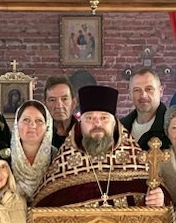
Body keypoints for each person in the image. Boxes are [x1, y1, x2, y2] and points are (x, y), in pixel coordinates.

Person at [35, 85, 166, 210]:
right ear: (80, 124)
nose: (97, 123)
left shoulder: (136, 161)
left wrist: (158, 200)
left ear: (114, 123)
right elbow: (41, 213)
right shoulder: (64, 165)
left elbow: (160, 208)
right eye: (90, 118)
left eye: (104, 118)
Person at [9, 99, 53, 200]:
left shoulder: (57, 157)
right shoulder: (4, 156)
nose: (32, 125)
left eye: (39, 121)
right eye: (26, 120)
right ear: (16, 125)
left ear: (47, 127)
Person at [121, 68, 169, 150]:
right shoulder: (120, 127)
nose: (143, 95)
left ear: (160, 91)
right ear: (130, 94)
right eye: (137, 90)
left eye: (149, 89)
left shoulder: (172, 126)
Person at [44, 76, 77, 149]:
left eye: (64, 99)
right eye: (52, 100)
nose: (59, 106)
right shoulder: (39, 134)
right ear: (45, 105)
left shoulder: (83, 132)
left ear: (73, 103)